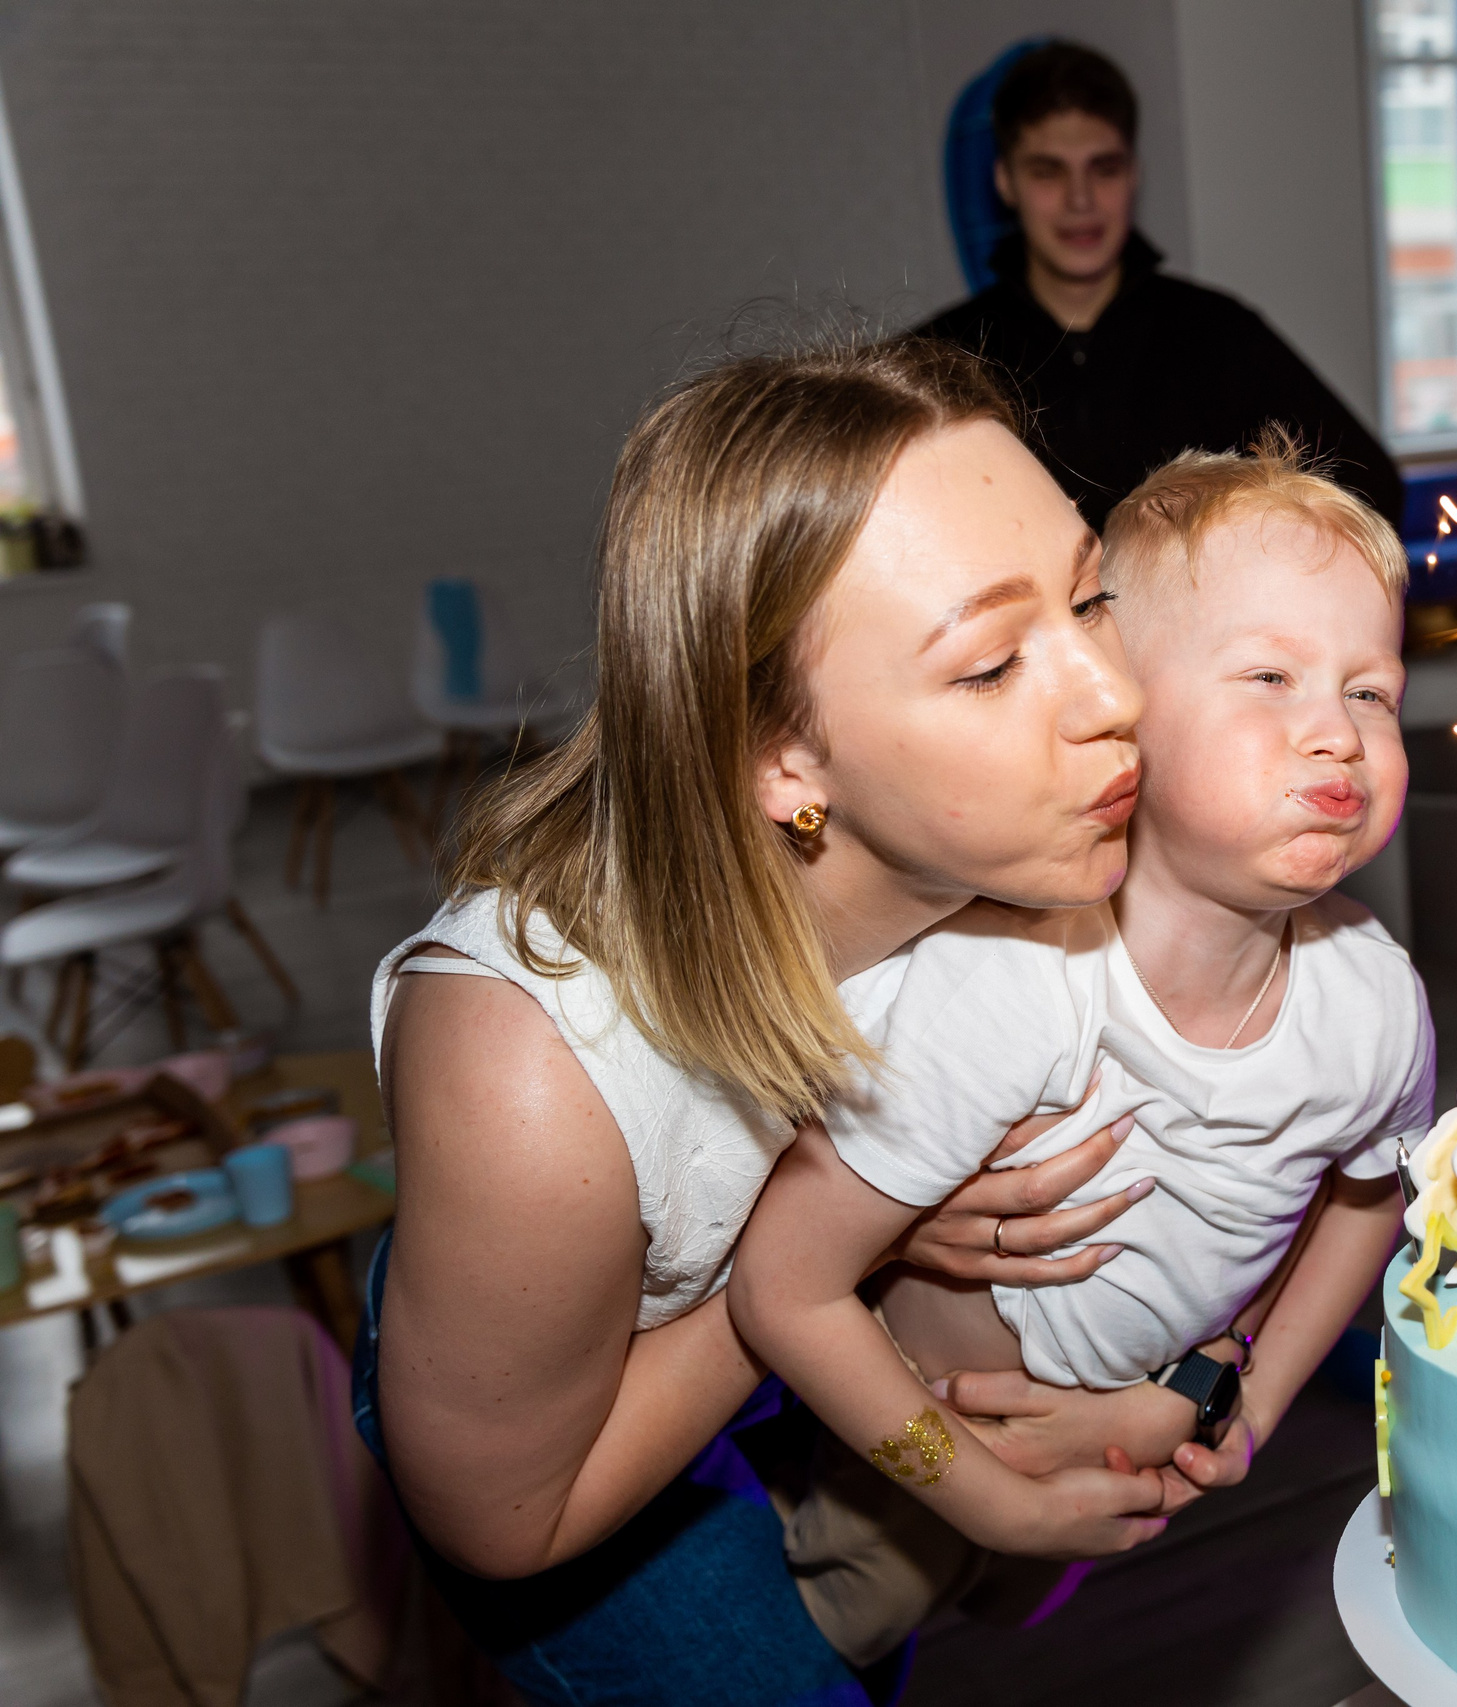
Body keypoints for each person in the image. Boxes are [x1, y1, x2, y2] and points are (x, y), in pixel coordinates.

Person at [365, 337, 1218, 1706]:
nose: (1116, 697)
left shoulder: (1012, 853)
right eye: (995, 663)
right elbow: (507, 1520)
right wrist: (839, 1236)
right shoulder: (531, 1075)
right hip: (555, 1414)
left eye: (1091, 597)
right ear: (782, 757)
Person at [729, 438, 1423, 1602]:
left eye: (1370, 691)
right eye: (1269, 679)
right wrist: (981, 1493)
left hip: (1129, 1434)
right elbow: (782, 1287)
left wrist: (1241, 1396)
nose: (1336, 730)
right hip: (911, 1444)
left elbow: (1368, 1195)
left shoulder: (1372, 999)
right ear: (1121, 720)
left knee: (1011, 1619)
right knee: (830, 1646)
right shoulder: (1015, 979)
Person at [918, 41, 1403, 531]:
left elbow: (1371, 490)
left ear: (1134, 174)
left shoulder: (1221, 335)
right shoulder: (945, 361)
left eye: (1103, 168)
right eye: (1049, 172)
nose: (1080, 199)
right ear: (1005, 181)